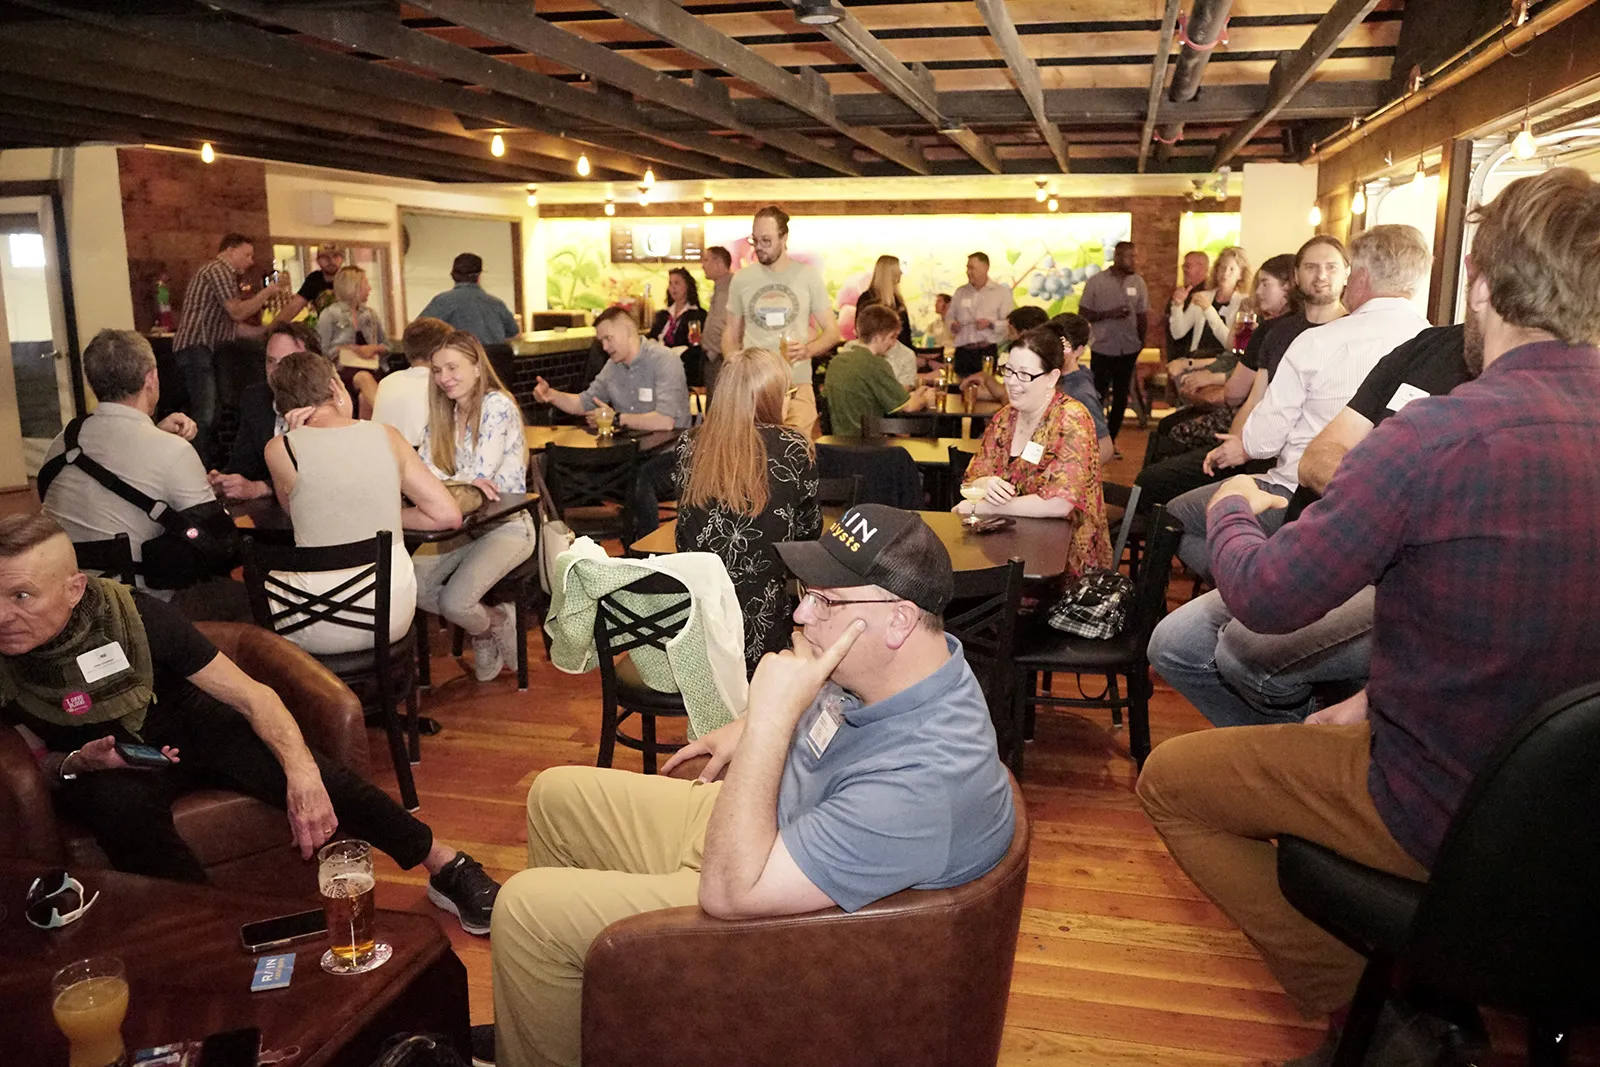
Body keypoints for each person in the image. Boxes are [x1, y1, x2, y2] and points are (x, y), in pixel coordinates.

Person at [1137, 168, 1600, 1067]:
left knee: (1173, 781)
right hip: (1573, 813)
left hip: (1442, 806)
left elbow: (1267, 598)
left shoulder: (1437, 436)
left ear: (1477, 284)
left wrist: (1233, 506)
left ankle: (1374, 1012)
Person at [484, 504, 1015, 1067]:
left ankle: (560, 1005)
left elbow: (730, 894)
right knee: (555, 796)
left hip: (776, 908)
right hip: (778, 830)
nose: (802, 615)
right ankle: (572, 1012)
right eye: (805, 591)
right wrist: (749, 729)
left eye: (826, 600)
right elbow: (825, 732)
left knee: (526, 914)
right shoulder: (906, 669)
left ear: (900, 618)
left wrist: (767, 722)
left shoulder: (924, 779)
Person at [0, 513, 501, 928]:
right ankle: (213, 933)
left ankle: (446, 866)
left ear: (73, 588)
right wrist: (75, 763)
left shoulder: (135, 617)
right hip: (104, 762)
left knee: (315, 775)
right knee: (120, 812)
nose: (2, 615)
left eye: (21, 596)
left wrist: (303, 774)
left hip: (190, 724)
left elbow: (254, 697)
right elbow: (29, 765)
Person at [1148, 324, 1471, 730]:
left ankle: (1296, 761)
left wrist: (1234, 506)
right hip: (1336, 536)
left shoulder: (1503, 406)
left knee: (1244, 649)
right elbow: (1316, 457)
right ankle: (1289, 756)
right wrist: (1383, 495)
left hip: (1404, 578)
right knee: (1174, 642)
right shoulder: (1427, 347)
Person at [1166, 226, 1430, 578]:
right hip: (1395, 516)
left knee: (1174, 518)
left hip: (1298, 495)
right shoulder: (1435, 345)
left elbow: (1262, 441)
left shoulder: (1316, 341)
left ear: (1361, 276)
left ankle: (1258, 590)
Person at [263, 351, 463, 655]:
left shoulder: (280, 449)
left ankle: (307, 697)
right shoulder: (388, 436)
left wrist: (294, 434)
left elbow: (297, 512)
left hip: (317, 624)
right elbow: (447, 515)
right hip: (390, 612)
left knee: (261, 592)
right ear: (334, 387)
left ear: (283, 404)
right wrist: (387, 515)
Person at [40, 330, 219, 602]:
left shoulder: (61, 443)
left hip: (66, 600)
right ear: (151, 378)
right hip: (139, 605)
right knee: (231, 597)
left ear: (92, 384)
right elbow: (212, 536)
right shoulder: (173, 450)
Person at [674, 347, 822, 671]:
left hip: (697, 623)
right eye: (788, 393)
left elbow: (685, 535)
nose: (788, 401)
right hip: (764, 624)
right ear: (769, 398)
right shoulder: (793, 447)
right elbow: (807, 538)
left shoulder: (690, 444)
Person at [415, 331, 535, 682]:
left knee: (455, 602)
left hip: (508, 524)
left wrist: (446, 481)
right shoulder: (446, 414)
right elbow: (423, 470)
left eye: (452, 367)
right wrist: (452, 481)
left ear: (478, 367)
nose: (443, 377)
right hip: (461, 524)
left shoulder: (497, 405)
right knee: (411, 585)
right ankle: (489, 626)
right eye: (437, 370)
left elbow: (482, 476)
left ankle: (492, 622)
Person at [955, 327, 1111, 580]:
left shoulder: (1071, 418)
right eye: (1009, 370)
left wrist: (986, 506)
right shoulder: (1005, 418)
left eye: (1025, 374)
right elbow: (971, 480)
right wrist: (985, 483)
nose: (1013, 382)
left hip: (1064, 564)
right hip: (1006, 547)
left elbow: (1060, 504)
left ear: (1051, 377)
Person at [534, 306, 692, 543]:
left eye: (608, 338)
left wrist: (616, 418)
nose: (605, 347)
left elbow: (665, 421)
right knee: (556, 471)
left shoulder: (664, 361)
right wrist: (552, 396)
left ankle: (645, 552)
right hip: (630, 454)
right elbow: (583, 403)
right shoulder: (612, 367)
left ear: (628, 330)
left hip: (673, 454)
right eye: (602, 341)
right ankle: (569, 547)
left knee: (639, 479)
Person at [172, 233, 290, 465]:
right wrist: (268, 291)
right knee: (205, 414)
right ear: (229, 251)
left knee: (210, 413)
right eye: (247, 254)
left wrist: (268, 331)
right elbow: (237, 312)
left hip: (200, 348)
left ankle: (203, 464)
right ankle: (196, 467)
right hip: (196, 347)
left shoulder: (217, 274)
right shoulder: (219, 270)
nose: (251, 261)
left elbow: (234, 328)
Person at [724, 205, 841, 440]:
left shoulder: (807, 276)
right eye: (754, 240)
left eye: (766, 240)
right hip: (754, 386)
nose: (758, 247)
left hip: (796, 383)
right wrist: (734, 365)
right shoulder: (742, 279)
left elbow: (832, 332)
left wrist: (807, 350)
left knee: (797, 455)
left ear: (784, 237)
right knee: (753, 456)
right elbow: (730, 332)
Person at [960, 312, 1114, 465]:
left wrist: (1066, 471)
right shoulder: (1045, 379)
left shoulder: (1080, 393)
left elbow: (1105, 447)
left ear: (1079, 350)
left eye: (1063, 345)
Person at [209, 320, 323, 504]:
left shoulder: (325, 405)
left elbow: (319, 478)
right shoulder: (255, 398)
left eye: (288, 362)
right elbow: (243, 464)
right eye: (271, 362)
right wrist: (223, 480)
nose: (275, 372)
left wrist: (260, 488)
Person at [820, 305, 939, 437]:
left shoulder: (837, 361)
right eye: (892, 337)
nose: (893, 343)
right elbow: (908, 406)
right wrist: (925, 399)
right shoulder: (876, 364)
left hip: (837, 443)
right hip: (868, 444)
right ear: (878, 337)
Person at [1077, 240, 1150, 443]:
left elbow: (1143, 315)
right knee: (1098, 395)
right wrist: (1110, 314)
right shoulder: (1096, 282)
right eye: (1130, 256)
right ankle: (1093, 439)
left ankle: (1111, 440)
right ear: (1117, 257)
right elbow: (1083, 313)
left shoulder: (1138, 283)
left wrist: (1141, 341)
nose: (1134, 261)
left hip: (1128, 349)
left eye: (1135, 256)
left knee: (1121, 395)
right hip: (1102, 348)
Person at [316, 265, 388, 418]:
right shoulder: (329, 315)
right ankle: (391, 418)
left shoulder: (370, 315)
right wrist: (350, 348)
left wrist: (374, 348)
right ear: (353, 287)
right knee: (363, 377)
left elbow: (387, 345)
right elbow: (321, 352)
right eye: (365, 284)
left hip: (372, 366)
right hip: (342, 370)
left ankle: (366, 434)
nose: (369, 288)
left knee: (364, 398)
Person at [374, 317, 452, 448]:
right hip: (421, 458)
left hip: (382, 456)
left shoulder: (386, 382)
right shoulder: (441, 384)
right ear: (441, 351)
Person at [417, 253, 521, 346]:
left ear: (453, 275)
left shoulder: (443, 301)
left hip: (462, 362)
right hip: (496, 365)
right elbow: (514, 334)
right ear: (479, 276)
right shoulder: (497, 304)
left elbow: (417, 330)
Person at [1167, 246, 1252, 361]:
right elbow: (1178, 332)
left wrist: (1208, 310)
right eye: (1222, 268)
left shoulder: (1244, 303)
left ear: (1240, 275)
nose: (1225, 273)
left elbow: (1231, 343)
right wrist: (1177, 306)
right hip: (1196, 359)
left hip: (1224, 365)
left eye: (1232, 269)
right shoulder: (1203, 296)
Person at [945, 252, 1014, 377]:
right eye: (967, 268)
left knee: (986, 390)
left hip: (986, 352)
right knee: (960, 389)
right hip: (963, 352)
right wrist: (952, 325)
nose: (968, 272)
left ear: (985, 268)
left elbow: (1009, 324)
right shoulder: (960, 292)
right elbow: (949, 316)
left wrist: (991, 324)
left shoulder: (1001, 293)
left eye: (972, 268)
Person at [647, 267, 708, 387]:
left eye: (677, 283)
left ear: (687, 286)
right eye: (670, 283)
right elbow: (652, 335)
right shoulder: (663, 314)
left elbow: (695, 345)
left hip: (682, 362)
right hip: (658, 358)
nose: (673, 287)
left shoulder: (697, 314)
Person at [853, 254, 914, 349]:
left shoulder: (897, 300)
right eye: (898, 269)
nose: (901, 273)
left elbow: (906, 335)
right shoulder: (868, 299)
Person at [274, 244, 344, 322]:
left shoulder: (350, 277)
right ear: (318, 260)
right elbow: (293, 308)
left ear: (342, 259)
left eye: (335, 256)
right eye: (325, 257)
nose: (331, 261)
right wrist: (271, 329)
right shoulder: (314, 279)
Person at [698, 245, 734, 394]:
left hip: (720, 359)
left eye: (706, 260)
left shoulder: (728, 288)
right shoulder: (721, 287)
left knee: (718, 407)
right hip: (716, 358)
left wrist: (714, 352)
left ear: (718, 263)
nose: (702, 266)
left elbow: (723, 325)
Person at [1164, 250, 1211, 359]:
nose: (1184, 270)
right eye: (1183, 266)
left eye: (1188, 266)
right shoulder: (1183, 291)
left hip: (1191, 357)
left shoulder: (1206, 296)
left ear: (1201, 267)